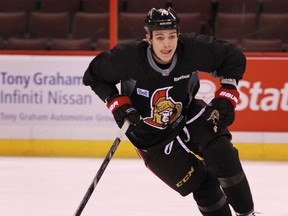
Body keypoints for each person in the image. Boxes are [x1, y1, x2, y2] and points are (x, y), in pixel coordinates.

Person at [83, 7, 255, 216]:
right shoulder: (128, 57)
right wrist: (117, 103)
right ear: (149, 38)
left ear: (178, 35)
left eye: (172, 36)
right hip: (148, 135)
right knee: (203, 185)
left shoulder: (190, 48)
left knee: (222, 154)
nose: (167, 44)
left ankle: (248, 214)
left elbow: (232, 58)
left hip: (188, 114)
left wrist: (227, 95)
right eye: (160, 37)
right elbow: (94, 76)